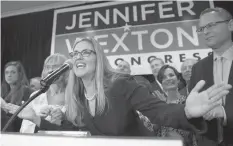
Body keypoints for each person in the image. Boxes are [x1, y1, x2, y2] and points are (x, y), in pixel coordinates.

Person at [8, 37, 231, 137]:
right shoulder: (78, 95)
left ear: (98, 58)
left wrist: (187, 111)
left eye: (86, 52)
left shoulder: (120, 84)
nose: (78, 57)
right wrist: (37, 119)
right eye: (75, 53)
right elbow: (78, 133)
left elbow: (158, 111)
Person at [189, 7, 233, 146]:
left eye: (211, 25)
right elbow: (194, 109)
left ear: (231, 25)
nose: (205, 32)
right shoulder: (198, 68)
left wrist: (225, 113)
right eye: (202, 29)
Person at [19, 54, 68, 133]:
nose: (50, 70)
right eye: (47, 67)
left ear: (66, 70)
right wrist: (38, 119)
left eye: (55, 66)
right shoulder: (36, 96)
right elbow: (24, 129)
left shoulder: (73, 96)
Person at [156, 65, 197, 146]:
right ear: (162, 83)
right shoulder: (160, 107)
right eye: (164, 77)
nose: (168, 78)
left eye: (171, 75)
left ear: (178, 79)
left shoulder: (188, 103)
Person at [1, 61, 33, 132]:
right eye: (7, 72)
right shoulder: (4, 92)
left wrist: (4, 106)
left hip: (15, 131)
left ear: (20, 74)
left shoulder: (26, 91)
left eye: (13, 72)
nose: (9, 75)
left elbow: (23, 116)